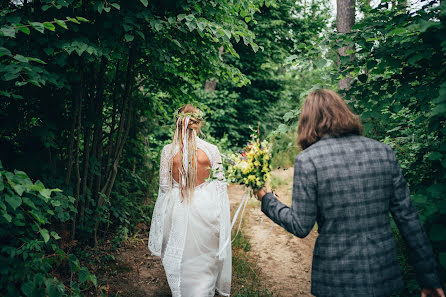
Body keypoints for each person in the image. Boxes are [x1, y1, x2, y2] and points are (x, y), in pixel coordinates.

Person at [254, 89, 444, 297]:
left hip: (336, 280)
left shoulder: (309, 160)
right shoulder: (383, 152)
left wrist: (267, 198)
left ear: (307, 121)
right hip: (384, 275)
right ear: (344, 113)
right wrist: (429, 278)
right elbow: (408, 220)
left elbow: (300, 226)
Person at [148, 104, 231, 297]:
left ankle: (180, 291)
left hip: (177, 208)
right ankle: (203, 291)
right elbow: (220, 185)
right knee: (205, 258)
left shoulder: (168, 151)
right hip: (206, 208)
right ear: (198, 124)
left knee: (180, 255)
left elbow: (164, 187)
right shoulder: (211, 150)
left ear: (177, 124)